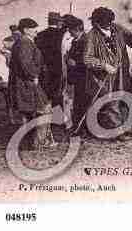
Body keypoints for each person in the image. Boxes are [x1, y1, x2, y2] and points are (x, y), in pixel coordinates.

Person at [83, 7, 132, 130]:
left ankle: (127, 125)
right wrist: (104, 65)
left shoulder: (118, 29)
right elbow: (88, 59)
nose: (109, 25)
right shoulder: (91, 37)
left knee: (128, 97)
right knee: (112, 102)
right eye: (105, 23)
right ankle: (117, 129)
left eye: (110, 21)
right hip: (104, 77)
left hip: (122, 72)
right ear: (97, 23)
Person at [8, 18, 55, 149]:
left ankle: (32, 143)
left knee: (30, 113)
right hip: (27, 83)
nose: (36, 31)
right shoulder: (25, 43)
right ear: (26, 30)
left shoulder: (20, 42)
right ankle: (39, 142)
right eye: (34, 29)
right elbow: (25, 64)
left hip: (23, 83)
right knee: (44, 110)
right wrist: (34, 76)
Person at [35, 12, 65, 108]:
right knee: (57, 97)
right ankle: (57, 121)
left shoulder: (39, 35)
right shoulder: (61, 34)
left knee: (46, 97)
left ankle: (49, 120)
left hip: (44, 70)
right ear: (58, 22)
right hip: (58, 70)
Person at [64, 16, 87, 133]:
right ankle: (78, 125)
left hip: (85, 77)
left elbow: (89, 59)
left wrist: (76, 63)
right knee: (77, 102)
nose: (69, 33)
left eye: (71, 30)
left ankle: (83, 127)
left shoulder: (86, 41)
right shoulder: (74, 41)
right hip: (76, 77)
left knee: (83, 102)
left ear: (77, 29)